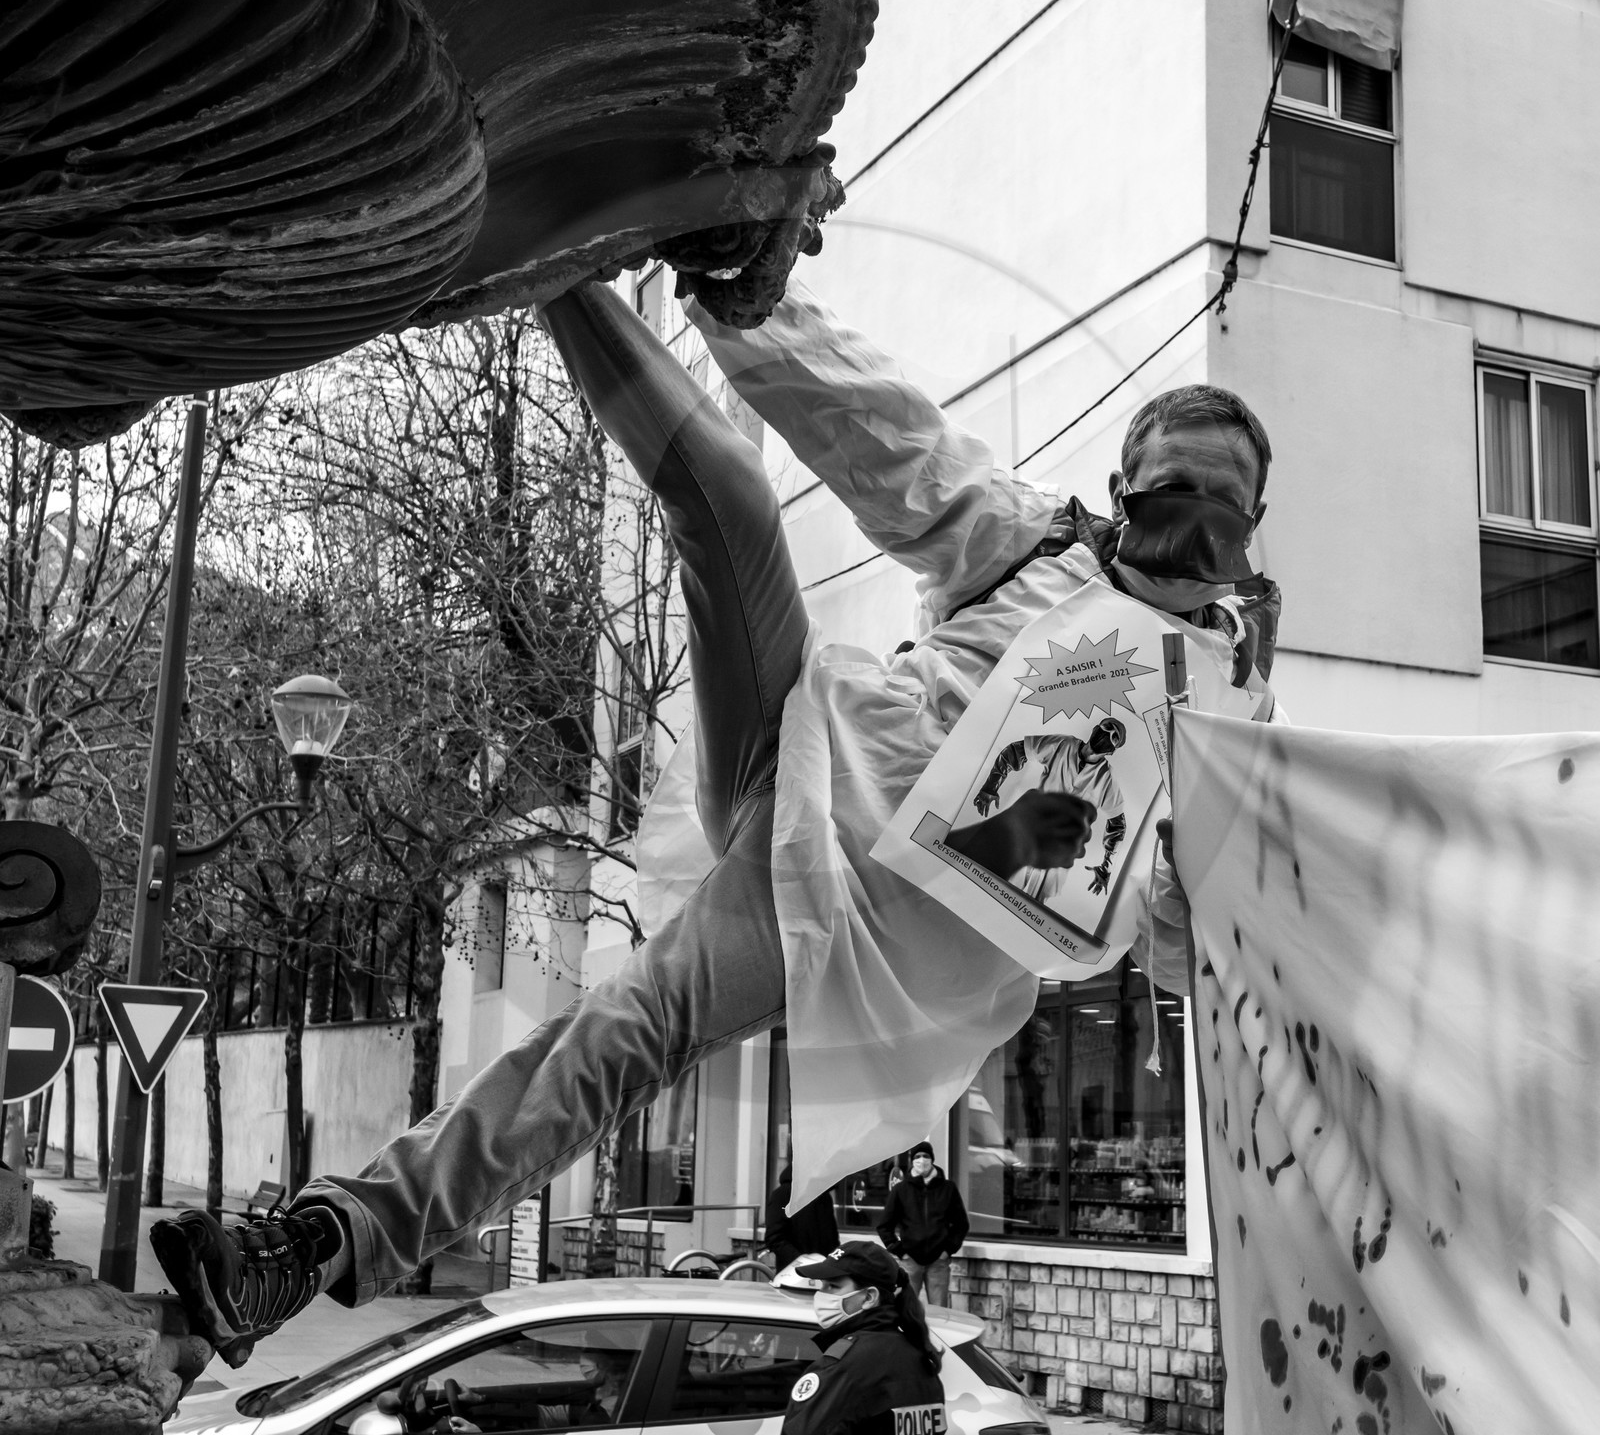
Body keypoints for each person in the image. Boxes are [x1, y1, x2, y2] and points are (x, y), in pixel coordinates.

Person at [151, 273, 1278, 1369]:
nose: (1191, 519)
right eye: (1168, 488)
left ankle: (322, 1240)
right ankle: (559, 249)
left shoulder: (1221, 713)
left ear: (1252, 523)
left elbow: (1197, 936)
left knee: (623, 1032)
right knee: (725, 495)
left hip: (843, 919)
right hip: (795, 758)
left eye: (1219, 502)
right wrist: (738, 284)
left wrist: (1234, 947)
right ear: (1123, 488)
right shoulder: (1030, 544)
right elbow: (875, 424)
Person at [783, 1242, 946, 1435]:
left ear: (869, 1297)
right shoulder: (920, 1357)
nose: (821, 1295)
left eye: (833, 1286)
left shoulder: (843, 1368)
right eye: (822, 1286)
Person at [968, 719, 1128, 898]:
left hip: (1059, 851)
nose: (1107, 735)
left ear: (1113, 750)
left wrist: (1106, 866)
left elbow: (1118, 825)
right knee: (994, 886)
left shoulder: (1106, 778)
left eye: (1115, 737)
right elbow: (1016, 751)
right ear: (1096, 728)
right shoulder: (1063, 744)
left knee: (1033, 908)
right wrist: (991, 786)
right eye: (1107, 728)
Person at [875, 1142, 968, 1305]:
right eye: (917, 1157)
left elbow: (961, 1224)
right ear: (912, 1161)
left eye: (926, 1156)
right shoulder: (901, 1190)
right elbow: (884, 1226)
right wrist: (900, 1251)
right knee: (905, 1308)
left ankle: (936, 1333)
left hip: (938, 1261)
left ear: (932, 1159)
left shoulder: (948, 1188)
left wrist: (947, 1250)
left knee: (939, 1310)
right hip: (910, 1261)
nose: (922, 1160)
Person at [767, 1164, 841, 1269]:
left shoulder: (824, 1197)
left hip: (823, 1271)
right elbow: (774, 1237)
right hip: (793, 1272)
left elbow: (832, 1238)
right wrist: (801, 1261)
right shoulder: (783, 1194)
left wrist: (833, 1263)